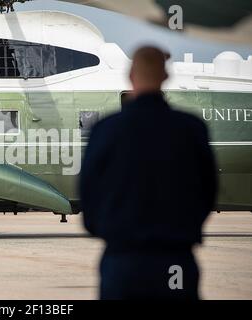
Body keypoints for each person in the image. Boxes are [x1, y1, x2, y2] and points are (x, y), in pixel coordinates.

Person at [80, 46, 218, 300]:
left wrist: (106, 231)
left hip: (122, 259)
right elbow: (208, 191)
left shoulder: (105, 130)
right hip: (175, 257)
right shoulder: (191, 129)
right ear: (166, 77)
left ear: (131, 76)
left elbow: (88, 194)